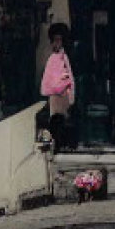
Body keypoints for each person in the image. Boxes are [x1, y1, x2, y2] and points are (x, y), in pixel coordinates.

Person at [40, 23, 76, 152]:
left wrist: (70, 94)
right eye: (55, 41)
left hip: (63, 93)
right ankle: (58, 144)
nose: (57, 44)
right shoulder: (53, 58)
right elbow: (48, 77)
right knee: (56, 119)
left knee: (61, 119)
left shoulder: (64, 57)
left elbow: (69, 77)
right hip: (55, 94)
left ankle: (62, 143)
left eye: (59, 40)